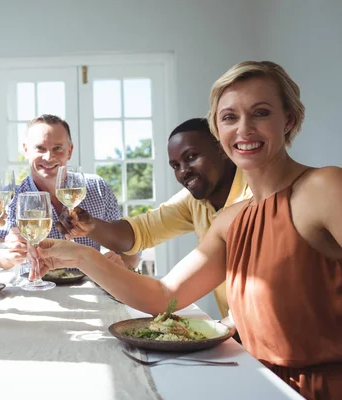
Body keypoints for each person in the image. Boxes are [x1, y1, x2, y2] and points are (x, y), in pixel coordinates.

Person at [33, 61, 342, 399]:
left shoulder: (324, 187)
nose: (244, 129)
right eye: (229, 118)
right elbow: (164, 296)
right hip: (257, 382)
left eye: (261, 113)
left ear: (289, 120)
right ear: (218, 131)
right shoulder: (231, 219)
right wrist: (82, 255)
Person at [57, 118, 251, 318]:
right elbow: (141, 231)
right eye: (175, 165)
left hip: (255, 335)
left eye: (192, 156)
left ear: (223, 149)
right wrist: (91, 225)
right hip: (238, 331)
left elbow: (166, 294)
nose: (183, 171)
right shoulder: (195, 201)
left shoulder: (254, 200)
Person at [0, 114, 139, 271]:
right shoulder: (10, 197)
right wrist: (6, 256)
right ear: (26, 150)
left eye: (57, 148)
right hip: (34, 288)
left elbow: (130, 251)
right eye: (40, 148)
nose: (49, 157)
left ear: (69, 151)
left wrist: (122, 266)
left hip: (90, 287)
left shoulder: (97, 188)